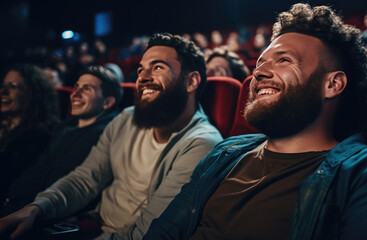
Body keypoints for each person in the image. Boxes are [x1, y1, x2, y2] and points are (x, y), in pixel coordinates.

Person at [143, 4, 367, 240]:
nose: (260, 73)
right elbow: (164, 232)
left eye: (284, 61)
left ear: (333, 84)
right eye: (260, 64)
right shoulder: (223, 153)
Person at [0, 33, 223, 240]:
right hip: (85, 224)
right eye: (140, 70)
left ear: (191, 81)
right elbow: (87, 177)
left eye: (157, 67)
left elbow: (150, 233)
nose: (143, 77)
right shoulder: (126, 118)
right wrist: (36, 209)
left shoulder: (201, 144)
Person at [0, 65, 122, 217]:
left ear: (107, 103)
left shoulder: (107, 134)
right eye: (76, 87)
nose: (75, 93)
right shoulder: (63, 128)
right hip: (17, 205)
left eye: (86, 89)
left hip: (45, 216)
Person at [0, 64, 59, 202]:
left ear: (31, 94)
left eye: (12, 86)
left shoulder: (37, 136)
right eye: (3, 85)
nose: (3, 91)